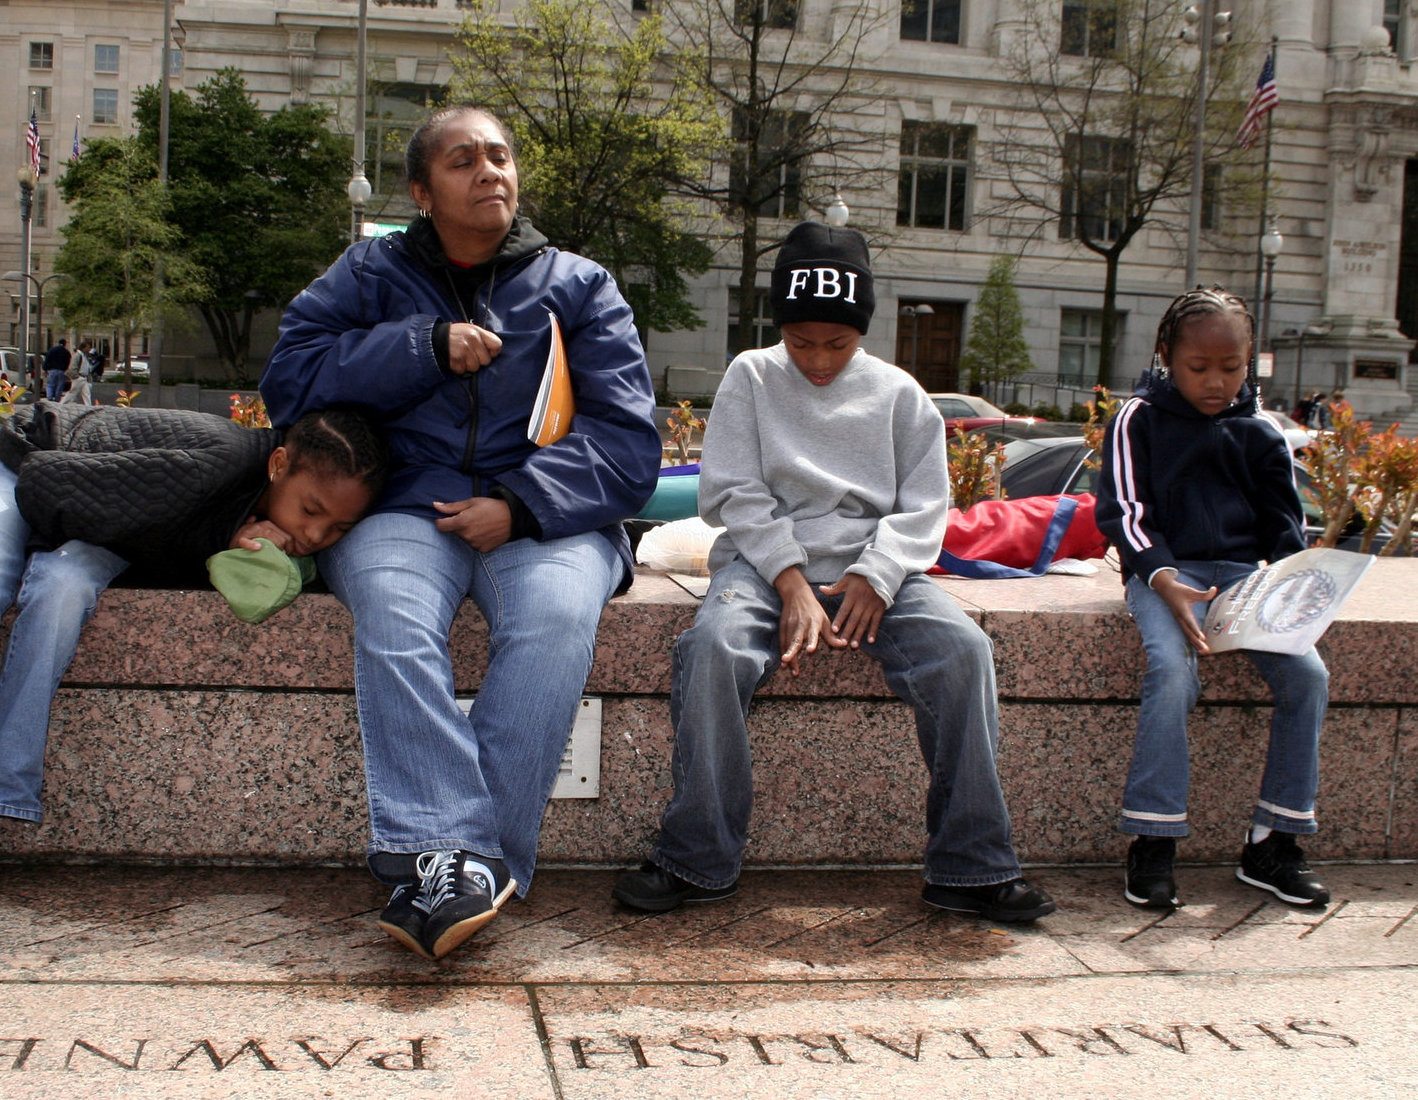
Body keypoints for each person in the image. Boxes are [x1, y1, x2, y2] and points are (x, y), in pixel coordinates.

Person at [260, 106, 660, 959]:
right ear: (419, 192)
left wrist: (518, 504)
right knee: (395, 620)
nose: (490, 173)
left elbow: (628, 449)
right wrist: (421, 347)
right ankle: (472, 862)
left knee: (554, 623)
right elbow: (289, 382)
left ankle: (452, 865)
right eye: (463, 160)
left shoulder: (580, 286)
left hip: (551, 517)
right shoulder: (368, 273)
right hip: (407, 507)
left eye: (501, 157)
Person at [611, 222, 1056, 924]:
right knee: (713, 648)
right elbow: (731, 492)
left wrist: (876, 577)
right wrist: (790, 580)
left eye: (838, 344)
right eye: (801, 342)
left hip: (875, 571)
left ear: (863, 331)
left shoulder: (902, 395)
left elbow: (925, 509)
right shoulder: (751, 377)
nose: (818, 360)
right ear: (779, 327)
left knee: (964, 652)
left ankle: (970, 868)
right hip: (762, 568)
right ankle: (696, 856)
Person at [0, 403, 387, 904]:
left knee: (61, 592)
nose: (316, 533)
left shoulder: (274, 515)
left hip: (106, 516)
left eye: (339, 527)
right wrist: (221, 534)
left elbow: (143, 538)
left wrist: (229, 541)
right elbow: (49, 491)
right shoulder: (213, 464)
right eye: (311, 509)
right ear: (277, 465)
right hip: (34, 463)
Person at [1095, 285, 1331, 911]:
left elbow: (1284, 526)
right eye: (1198, 367)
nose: (1216, 382)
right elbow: (1123, 510)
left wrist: (1294, 595)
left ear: (1250, 361)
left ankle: (1274, 842)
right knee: (1173, 672)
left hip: (1240, 578)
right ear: (1166, 355)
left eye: (1232, 367)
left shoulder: (1260, 429)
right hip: (1164, 572)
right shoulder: (1136, 418)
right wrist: (1161, 575)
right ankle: (1154, 835)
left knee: (1307, 675)